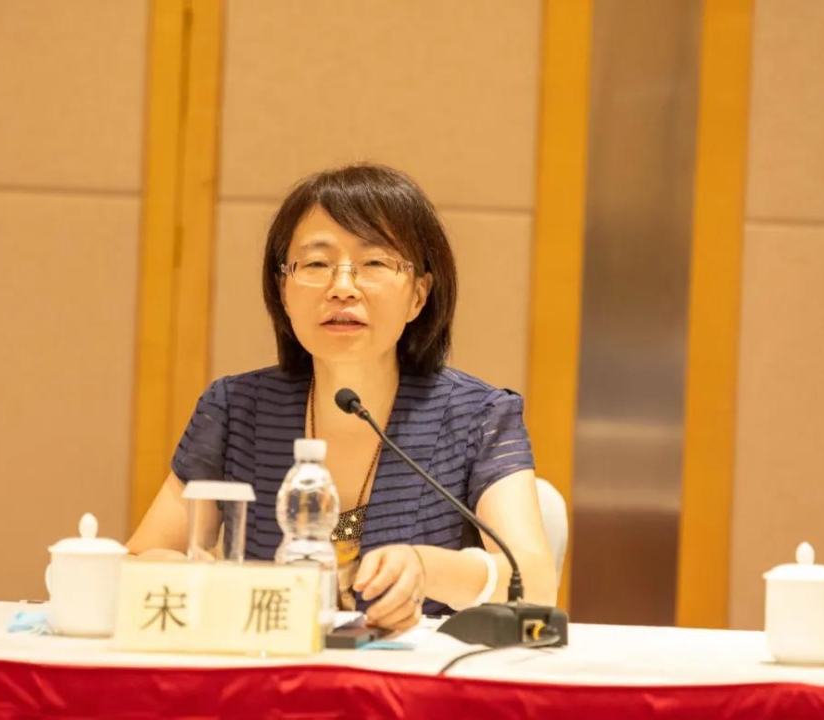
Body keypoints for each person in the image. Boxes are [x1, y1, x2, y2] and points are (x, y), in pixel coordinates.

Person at [127, 163, 557, 631]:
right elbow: (136, 560)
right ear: (283, 290)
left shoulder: (479, 416)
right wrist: (188, 574)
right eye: (316, 264)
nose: (343, 288)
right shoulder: (236, 409)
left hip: (413, 674)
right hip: (269, 666)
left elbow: (535, 582)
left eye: (374, 264)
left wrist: (426, 568)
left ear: (419, 295)